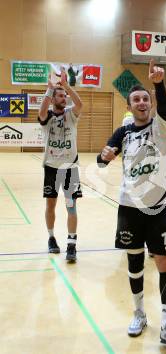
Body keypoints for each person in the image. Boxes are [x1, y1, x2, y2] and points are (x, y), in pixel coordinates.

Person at [97, 60, 166, 346]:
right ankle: (138, 313)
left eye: (145, 98)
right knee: (134, 263)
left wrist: (158, 84)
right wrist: (105, 156)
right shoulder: (123, 133)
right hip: (130, 207)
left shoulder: (161, 126)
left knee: (165, 263)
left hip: (160, 207)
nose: (142, 102)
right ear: (130, 105)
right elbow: (102, 157)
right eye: (136, 99)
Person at [38, 69, 83, 262]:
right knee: (51, 204)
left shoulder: (71, 115)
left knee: (71, 206)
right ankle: (51, 238)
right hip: (51, 167)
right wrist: (49, 90)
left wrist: (66, 86)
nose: (64, 98)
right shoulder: (47, 117)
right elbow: (41, 113)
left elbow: (80, 103)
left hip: (70, 168)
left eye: (64, 96)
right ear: (53, 98)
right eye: (60, 95)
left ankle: (71, 244)